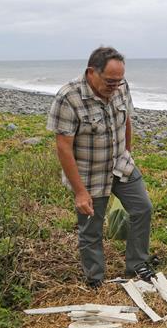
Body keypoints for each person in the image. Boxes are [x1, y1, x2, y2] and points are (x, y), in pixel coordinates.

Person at [47, 47, 155, 289]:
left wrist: (127, 153)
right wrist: (80, 191)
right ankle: (95, 278)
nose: (115, 86)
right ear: (91, 72)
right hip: (89, 174)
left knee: (143, 209)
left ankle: (137, 265)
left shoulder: (121, 86)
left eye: (118, 81)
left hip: (120, 165)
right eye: (109, 81)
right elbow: (64, 147)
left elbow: (126, 119)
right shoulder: (68, 97)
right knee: (91, 228)